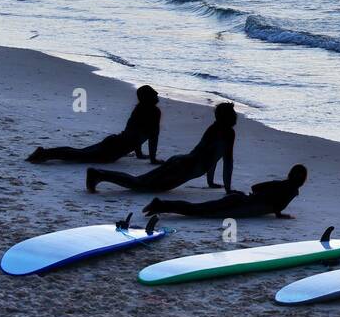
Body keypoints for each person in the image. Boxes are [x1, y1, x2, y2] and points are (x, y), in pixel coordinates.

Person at [86, 102, 236, 194]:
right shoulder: (228, 133)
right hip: (185, 168)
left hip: (181, 161)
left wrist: (210, 182)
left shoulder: (214, 128)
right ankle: (99, 174)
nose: (236, 117)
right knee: (140, 185)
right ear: (227, 117)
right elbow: (227, 160)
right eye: (233, 114)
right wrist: (228, 189)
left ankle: (99, 174)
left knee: (139, 181)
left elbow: (213, 156)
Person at [28, 85, 161, 164]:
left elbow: (135, 133)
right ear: (148, 98)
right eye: (153, 93)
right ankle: (44, 154)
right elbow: (152, 136)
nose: (157, 93)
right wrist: (153, 159)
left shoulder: (139, 109)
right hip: (114, 149)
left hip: (115, 142)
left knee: (80, 153)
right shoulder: (153, 112)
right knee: (79, 155)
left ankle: (44, 153)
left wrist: (139, 154)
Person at [144, 165, 307, 219]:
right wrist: (278, 213)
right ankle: (160, 204)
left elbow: (256, 188)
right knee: (198, 210)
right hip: (239, 205)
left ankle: (161, 205)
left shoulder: (282, 185)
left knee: (198, 209)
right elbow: (277, 206)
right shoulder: (290, 190)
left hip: (239, 200)